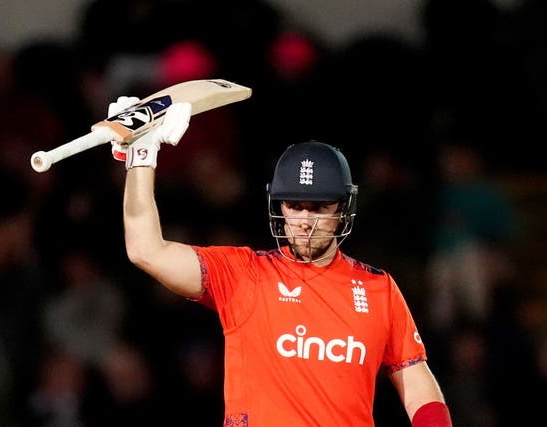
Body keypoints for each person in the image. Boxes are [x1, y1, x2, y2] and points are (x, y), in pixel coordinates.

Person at [109, 96, 453, 426]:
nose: (304, 221)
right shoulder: (243, 275)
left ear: (342, 209)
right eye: (294, 205)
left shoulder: (378, 289)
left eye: (319, 207)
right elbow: (145, 249)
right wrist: (141, 157)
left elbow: (416, 382)